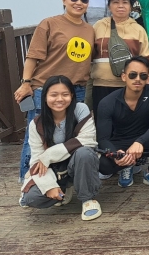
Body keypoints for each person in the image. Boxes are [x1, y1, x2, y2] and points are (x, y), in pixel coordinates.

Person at [14, 0, 95, 182]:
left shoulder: (89, 30)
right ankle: (28, 179)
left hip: (75, 90)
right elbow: (33, 56)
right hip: (46, 88)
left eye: (84, 0)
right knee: (37, 135)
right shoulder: (49, 24)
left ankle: (61, 179)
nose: (79, 3)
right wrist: (26, 82)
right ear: (64, 0)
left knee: (68, 135)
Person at [19, 76, 102, 221]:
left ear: (72, 96)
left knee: (85, 153)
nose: (59, 99)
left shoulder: (80, 109)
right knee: (31, 198)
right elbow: (37, 161)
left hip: (78, 162)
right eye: (53, 95)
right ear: (45, 97)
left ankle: (88, 199)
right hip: (55, 170)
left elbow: (88, 140)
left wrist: (49, 154)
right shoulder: (37, 124)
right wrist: (49, 186)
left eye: (65, 94)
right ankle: (64, 188)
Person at [96, 56, 149, 190]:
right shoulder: (107, 102)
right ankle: (127, 165)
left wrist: (140, 141)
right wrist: (116, 154)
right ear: (124, 77)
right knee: (103, 165)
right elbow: (103, 138)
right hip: (121, 142)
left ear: (148, 77)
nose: (138, 79)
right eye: (133, 75)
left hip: (146, 139)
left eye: (143, 75)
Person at [91, 0, 149, 117]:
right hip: (100, 86)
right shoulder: (98, 26)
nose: (120, 6)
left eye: (125, 2)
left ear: (130, 7)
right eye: (115, 2)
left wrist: (147, 86)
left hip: (128, 87)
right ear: (109, 6)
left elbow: (148, 60)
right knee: (102, 122)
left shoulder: (138, 29)